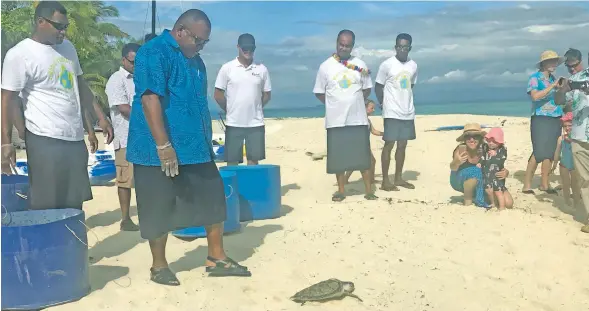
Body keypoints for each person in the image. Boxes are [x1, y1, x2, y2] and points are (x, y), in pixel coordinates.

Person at [127, 9, 251, 286]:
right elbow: (150, 100)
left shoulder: (196, 62)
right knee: (157, 205)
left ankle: (216, 257)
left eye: (205, 42)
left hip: (195, 147)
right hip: (155, 149)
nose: (201, 47)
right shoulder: (153, 52)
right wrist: (163, 145)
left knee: (213, 196)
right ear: (180, 31)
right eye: (199, 40)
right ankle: (159, 265)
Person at [1, 1, 113, 211]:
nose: (63, 31)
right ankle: (48, 244)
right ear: (40, 21)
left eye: (65, 26)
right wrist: (5, 143)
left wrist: (101, 117)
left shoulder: (67, 48)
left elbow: (79, 84)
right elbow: (7, 99)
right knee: (46, 204)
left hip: (73, 138)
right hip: (44, 140)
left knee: (73, 203)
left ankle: (71, 243)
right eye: (59, 26)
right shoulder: (19, 54)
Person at [313, 29, 377, 202]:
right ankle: (341, 190)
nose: (344, 48)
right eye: (341, 44)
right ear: (336, 43)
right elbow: (319, 92)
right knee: (338, 158)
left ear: (352, 46)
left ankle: (369, 190)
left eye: (347, 45)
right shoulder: (325, 66)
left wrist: (355, 101)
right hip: (335, 121)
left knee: (362, 156)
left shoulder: (360, 65)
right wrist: (334, 103)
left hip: (358, 118)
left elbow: (367, 88)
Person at [214, 33, 271, 166]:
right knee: (232, 161)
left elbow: (267, 94)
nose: (248, 51)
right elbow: (218, 94)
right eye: (245, 48)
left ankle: (250, 186)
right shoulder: (227, 68)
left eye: (251, 48)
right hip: (234, 123)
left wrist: (256, 108)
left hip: (256, 124)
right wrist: (230, 109)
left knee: (253, 160)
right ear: (238, 47)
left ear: (255, 48)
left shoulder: (262, 69)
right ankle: (234, 187)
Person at [375, 33, 418, 192]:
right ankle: (385, 181)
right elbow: (378, 86)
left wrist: (405, 101)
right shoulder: (387, 65)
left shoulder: (413, 65)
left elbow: (410, 86)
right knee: (389, 144)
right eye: (399, 46)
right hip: (392, 111)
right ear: (395, 47)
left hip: (407, 111)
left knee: (403, 145)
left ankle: (398, 178)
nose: (402, 50)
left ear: (409, 48)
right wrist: (382, 103)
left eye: (405, 47)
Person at [105, 43, 141, 231]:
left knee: (143, 180)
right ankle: (125, 219)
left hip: (144, 137)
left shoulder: (142, 78)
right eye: (133, 61)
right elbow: (123, 108)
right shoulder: (116, 79)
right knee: (125, 180)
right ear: (124, 60)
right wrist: (148, 117)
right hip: (126, 137)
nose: (136, 65)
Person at [522, 50, 567, 195]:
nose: (554, 64)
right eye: (550, 61)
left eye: (555, 61)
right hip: (541, 117)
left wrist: (561, 89)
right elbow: (535, 97)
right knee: (538, 151)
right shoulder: (535, 78)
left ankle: (544, 184)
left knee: (550, 151)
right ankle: (527, 185)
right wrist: (553, 86)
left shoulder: (553, 78)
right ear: (543, 63)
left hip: (556, 117)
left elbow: (559, 100)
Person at [559, 51, 589, 233]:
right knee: (585, 179)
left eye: (574, 65)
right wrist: (562, 89)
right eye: (568, 66)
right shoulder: (571, 81)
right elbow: (559, 102)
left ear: (581, 60)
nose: (572, 68)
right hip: (578, 135)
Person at [449, 124, 509, 208]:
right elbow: (453, 167)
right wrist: (456, 161)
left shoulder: (485, 148)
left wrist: (506, 172)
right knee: (477, 171)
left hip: (484, 180)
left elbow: (497, 164)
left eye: (475, 136)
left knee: (508, 203)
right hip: (459, 180)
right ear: (464, 139)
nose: (472, 139)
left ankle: (476, 195)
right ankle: (469, 202)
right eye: (468, 136)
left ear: (480, 138)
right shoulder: (461, 149)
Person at [344, 99, 383, 184]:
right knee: (359, 162)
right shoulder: (358, 120)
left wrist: (384, 134)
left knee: (370, 161)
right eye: (372, 108)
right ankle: (346, 179)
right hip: (358, 145)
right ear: (364, 108)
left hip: (365, 145)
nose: (373, 110)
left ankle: (371, 179)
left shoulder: (367, 120)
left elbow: (374, 131)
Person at [478, 127, 513, 210]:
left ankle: (501, 207)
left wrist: (506, 172)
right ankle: (493, 203)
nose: (490, 143)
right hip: (486, 177)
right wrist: (480, 163)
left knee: (507, 202)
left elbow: (501, 160)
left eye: (494, 141)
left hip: (496, 176)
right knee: (489, 190)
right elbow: (483, 158)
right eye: (489, 140)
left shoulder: (502, 149)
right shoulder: (484, 147)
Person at [552, 112, 580, 207]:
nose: (567, 128)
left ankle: (576, 202)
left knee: (575, 185)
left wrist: (571, 141)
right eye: (565, 126)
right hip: (563, 164)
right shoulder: (561, 138)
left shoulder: (578, 139)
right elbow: (557, 152)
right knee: (565, 184)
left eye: (570, 125)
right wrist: (555, 164)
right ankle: (567, 201)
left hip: (575, 165)